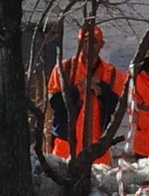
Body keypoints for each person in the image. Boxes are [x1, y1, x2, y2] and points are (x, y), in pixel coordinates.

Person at [45, 21, 127, 166]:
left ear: (102, 44)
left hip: (97, 147)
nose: (89, 46)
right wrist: (78, 89)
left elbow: (117, 107)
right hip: (66, 145)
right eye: (85, 41)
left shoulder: (112, 74)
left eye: (94, 42)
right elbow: (54, 103)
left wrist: (101, 89)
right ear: (78, 42)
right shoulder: (64, 68)